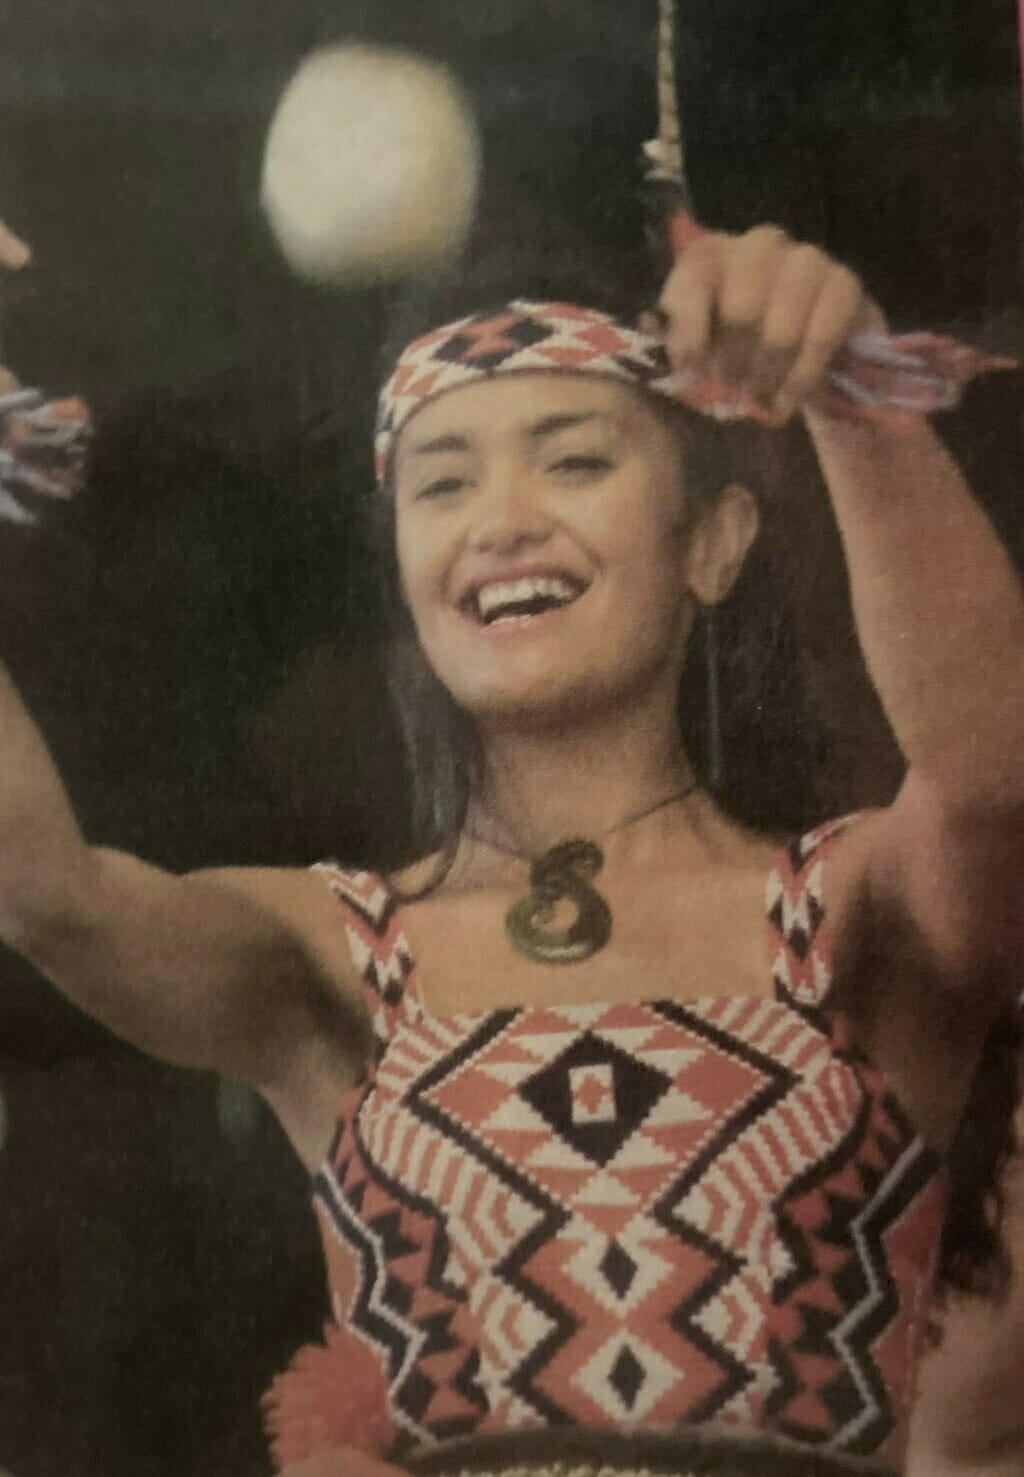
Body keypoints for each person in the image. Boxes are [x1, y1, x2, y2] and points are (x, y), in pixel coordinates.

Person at [1, 217, 1023, 1477]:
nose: (500, 519)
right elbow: (41, 890)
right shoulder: (323, 951)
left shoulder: (856, 910)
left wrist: (851, 390)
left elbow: (994, 789)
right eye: (441, 481)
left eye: (573, 459)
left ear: (712, 541)